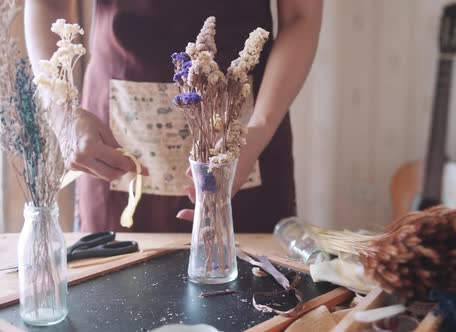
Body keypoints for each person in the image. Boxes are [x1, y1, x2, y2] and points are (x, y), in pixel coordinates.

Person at [25, 0, 322, 233]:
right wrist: (63, 113)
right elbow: (46, 3)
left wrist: (259, 127)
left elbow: (300, 14)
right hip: (115, 132)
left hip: (248, 134)